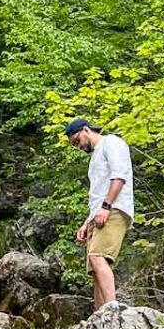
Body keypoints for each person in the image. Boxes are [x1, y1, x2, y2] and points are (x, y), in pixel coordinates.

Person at [64, 117, 133, 310]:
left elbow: (119, 176)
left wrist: (106, 206)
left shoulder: (111, 142)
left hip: (114, 209)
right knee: (95, 268)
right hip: (101, 212)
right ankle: (100, 314)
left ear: (86, 130)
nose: (78, 146)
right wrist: (87, 223)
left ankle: (112, 309)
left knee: (98, 257)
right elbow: (97, 192)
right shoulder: (95, 157)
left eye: (77, 140)